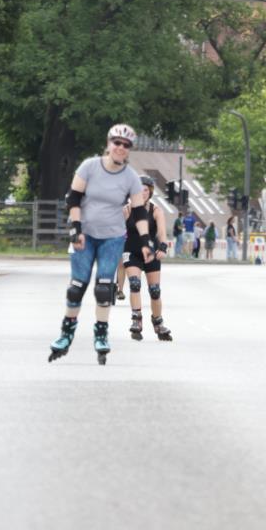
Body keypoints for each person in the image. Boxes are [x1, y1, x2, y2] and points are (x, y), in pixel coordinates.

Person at [49, 124, 152, 364]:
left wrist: (145, 241)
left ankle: (101, 334)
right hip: (85, 234)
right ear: (108, 144)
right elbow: (73, 198)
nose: (120, 148)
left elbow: (139, 212)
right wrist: (75, 229)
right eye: (117, 143)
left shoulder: (131, 178)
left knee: (105, 288)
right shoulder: (89, 166)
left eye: (126, 145)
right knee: (77, 287)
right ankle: (66, 334)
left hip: (112, 237)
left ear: (129, 149)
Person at [124, 175, 172, 342]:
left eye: (145, 190)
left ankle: (158, 322)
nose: (142, 193)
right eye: (139, 190)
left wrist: (163, 247)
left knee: (155, 291)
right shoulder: (127, 210)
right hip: (131, 252)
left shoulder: (156, 211)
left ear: (150, 192)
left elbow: (162, 233)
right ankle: (136, 320)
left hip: (151, 254)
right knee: (135, 284)